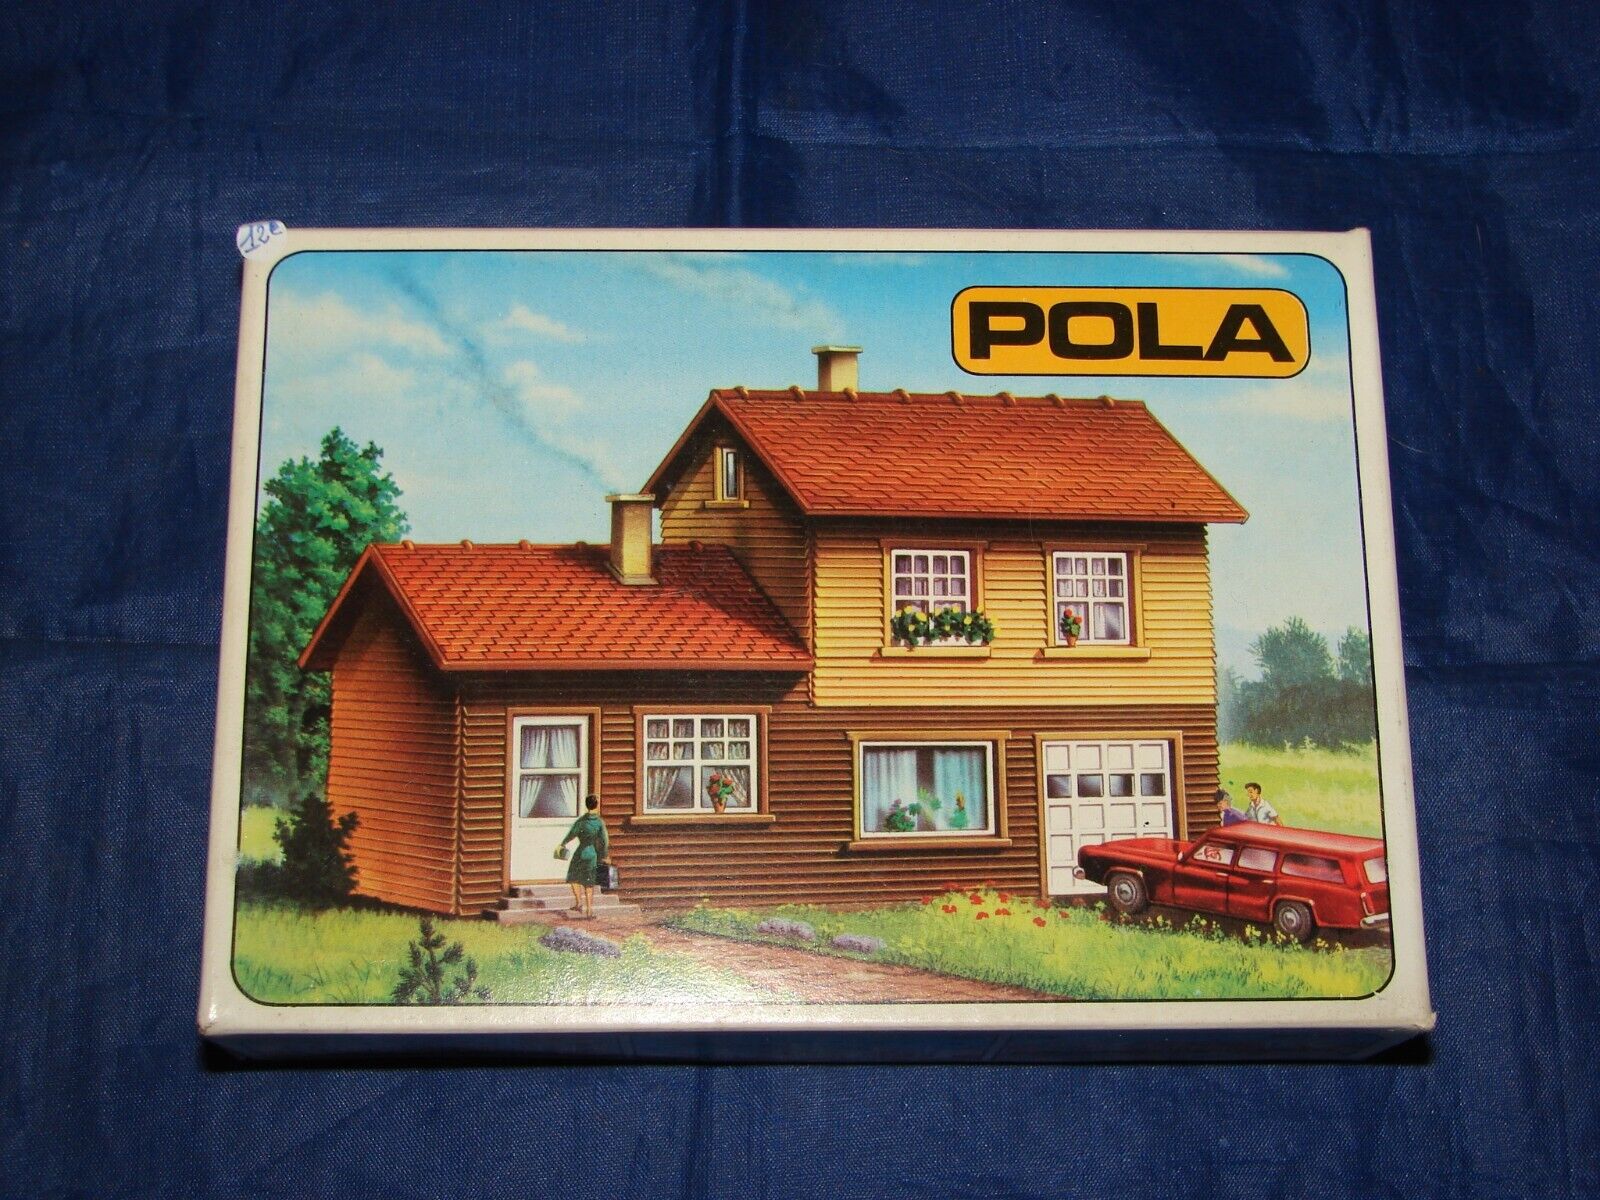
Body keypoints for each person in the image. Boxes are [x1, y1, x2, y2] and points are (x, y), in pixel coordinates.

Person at [557, 794, 610, 918]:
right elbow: (604, 841)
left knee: (573, 877)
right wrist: (604, 855)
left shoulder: (581, 821)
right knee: (589, 882)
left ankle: (579, 903)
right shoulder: (599, 822)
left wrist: (563, 843)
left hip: (580, 852)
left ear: (587, 805)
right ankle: (589, 911)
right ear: (597, 805)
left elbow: (572, 834)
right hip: (592, 854)